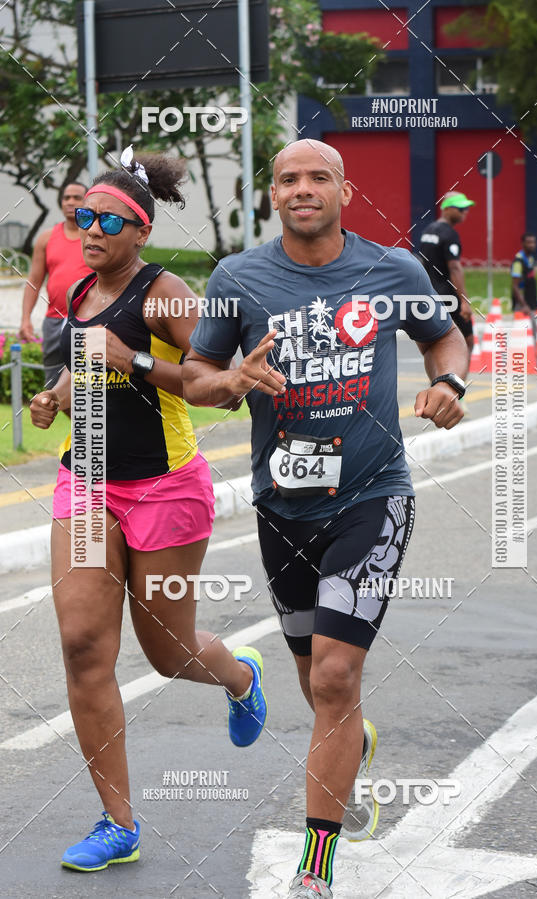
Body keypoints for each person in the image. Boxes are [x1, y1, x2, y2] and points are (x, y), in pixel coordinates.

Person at [182, 138, 469, 898]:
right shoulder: (236, 278)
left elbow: (444, 333)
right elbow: (192, 375)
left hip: (373, 496)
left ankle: (316, 869)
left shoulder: (392, 269)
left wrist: (451, 380)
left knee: (339, 676)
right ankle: (352, 738)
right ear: (272, 195)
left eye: (317, 177)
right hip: (282, 507)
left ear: (344, 190)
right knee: (319, 683)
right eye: (287, 179)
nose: (301, 188)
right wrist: (230, 379)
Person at [29, 149, 267, 874]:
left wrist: (130, 359)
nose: (89, 228)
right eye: (81, 217)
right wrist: (56, 396)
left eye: (106, 219)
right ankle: (118, 821)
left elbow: (216, 383)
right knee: (82, 646)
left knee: (168, 652)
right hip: (90, 479)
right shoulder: (75, 293)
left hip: (165, 486)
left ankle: (239, 676)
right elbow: (85, 366)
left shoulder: (164, 294)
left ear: (141, 230)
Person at [19, 181, 93, 388]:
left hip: (88, 321)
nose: (70, 202)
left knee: (88, 390)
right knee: (53, 388)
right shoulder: (46, 238)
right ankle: (76, 422)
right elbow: (34, 281)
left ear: (87, 202)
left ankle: (87, 422)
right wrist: (25, 319)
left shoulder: (94, 236)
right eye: (66, 198)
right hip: (53, 321)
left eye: (77, 197)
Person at [417, 191, 475, 359]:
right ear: (447, 209)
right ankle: (456, 382)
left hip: (431, 294)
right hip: (449, 295)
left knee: (437, 342)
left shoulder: (428, 231)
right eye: (461, 208)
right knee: (467, 341)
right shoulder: (449, 234)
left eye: (466, 209)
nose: (465, 212)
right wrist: (464, 300)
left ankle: (440, 381)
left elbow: (423, 263)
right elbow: (455, 268)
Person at [511, 232, 537, 346]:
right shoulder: (519, 261)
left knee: (532, 332)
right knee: (524, 333)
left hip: (530, 302)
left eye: (533, 242)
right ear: (523, 244)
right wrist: (524, 305)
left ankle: (532, 358)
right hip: (522, 304)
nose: (532, 245)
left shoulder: (530, 258)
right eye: (529, 242)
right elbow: (515, 285)